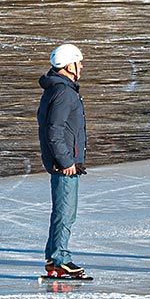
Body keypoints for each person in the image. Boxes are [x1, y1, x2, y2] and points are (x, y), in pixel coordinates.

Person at [37, 43, 91, 280]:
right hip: (65, 164)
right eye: (79, 63)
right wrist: (66, 160)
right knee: (65, 213)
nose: (81, 67)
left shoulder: (58, 90)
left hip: (65, 161)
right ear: (69, 65)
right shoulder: (64, 93)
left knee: (63, 211)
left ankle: (54, 257)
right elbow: (54, 131)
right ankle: (60, 259)